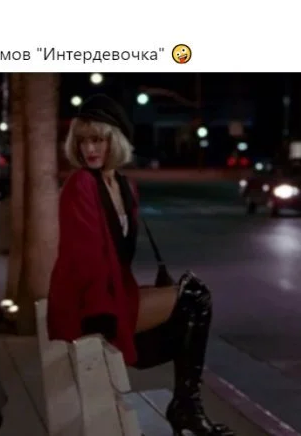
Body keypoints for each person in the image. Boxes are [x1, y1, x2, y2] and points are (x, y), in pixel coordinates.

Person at [47, 95, 234, 436]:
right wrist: (102, 316)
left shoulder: (124, 186)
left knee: (192, 299)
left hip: (116, 293)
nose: (90, 149)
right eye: (83, 141)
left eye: (98, 139)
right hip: (87, 305)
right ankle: (186, 408)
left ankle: (186, 406)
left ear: (115, 141)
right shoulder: (80, 184)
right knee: (194, 295)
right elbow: (83, 258)